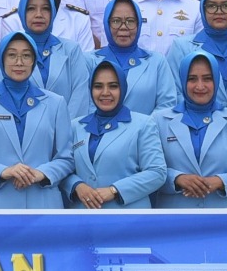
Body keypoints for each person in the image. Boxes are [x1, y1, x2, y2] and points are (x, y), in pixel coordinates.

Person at [152, 52, 227, 208]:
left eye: (207, 79)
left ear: (216, 81)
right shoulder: (159, 120)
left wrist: (218, 182)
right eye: (192, 79)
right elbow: (149, 171)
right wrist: (176, 179)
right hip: (175, 219)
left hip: (224, 220)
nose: (200, 86)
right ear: (182, 81)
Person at [59, 51, 162, 209]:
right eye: (98, 86)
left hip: (128, 220)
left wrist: (115, 190)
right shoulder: (75, 126)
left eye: (113, 86)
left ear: (123, 88)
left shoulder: (144, 124)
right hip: (84, 217)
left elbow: (157, 173)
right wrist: (77, 185)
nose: (105, 93)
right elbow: (63, 167)